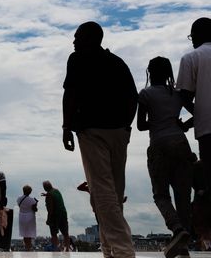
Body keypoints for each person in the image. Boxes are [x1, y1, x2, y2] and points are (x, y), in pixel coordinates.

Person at [62, 21, 137, 258]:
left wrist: (66, 127)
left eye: (77, 37)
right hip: (119, 132)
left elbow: (70, 94)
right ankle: (108, 249)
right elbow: (133, 97)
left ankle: (123, 250)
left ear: (89, 39)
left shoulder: (77, 60)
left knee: (102, 190)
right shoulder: (117, 62)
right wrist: (126, 127)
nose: (73, 42)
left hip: (92, 130)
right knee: (113, 192)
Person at [138, 56, 193, 258]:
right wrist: (184, 125)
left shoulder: (145, 94)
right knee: (183, 195)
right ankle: (184, 246)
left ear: (150, 72)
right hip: (180, 144)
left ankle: (177, 228)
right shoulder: (178, 94)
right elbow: (199, 111)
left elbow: (141, 125)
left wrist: (157, 121)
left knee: (161, 194)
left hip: (159, 145)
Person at [177, 17, 211, 195]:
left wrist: (190, 121)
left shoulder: (191, 58)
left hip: (207, 132)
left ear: (197, 35)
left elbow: (184, 96)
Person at [43, 181, 69, 251]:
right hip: (63, 214)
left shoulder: (49, 195)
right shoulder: (56, 191)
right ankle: (67, 249)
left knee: (54, 234)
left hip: (55, 216)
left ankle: (57, 249)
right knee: (65, 233)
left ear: (45, 188)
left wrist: (48, 219)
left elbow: (50, 210)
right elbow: (53, 196)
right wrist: (47, 195)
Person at [17, 184, 37, 251]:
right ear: (30, 192)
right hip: (30, 217)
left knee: (24, 234)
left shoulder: (19, 198)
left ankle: (26, 247)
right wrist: (36, 203)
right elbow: (35, 209)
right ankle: (29, 248)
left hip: (22, 217)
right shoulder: (32, 200)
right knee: (29, 234)